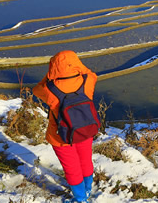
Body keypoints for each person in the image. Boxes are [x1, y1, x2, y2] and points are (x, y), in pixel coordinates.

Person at [33, 50, 98, 202]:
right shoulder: (87, 81)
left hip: (60, 135)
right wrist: (77, 66)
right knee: (85, 160)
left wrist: (50, 75)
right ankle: (88, 189)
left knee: (71, 167)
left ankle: (81, 198)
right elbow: (90, 73)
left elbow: (36, 90)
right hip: (85, 129)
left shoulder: (49, 89)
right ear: (76, 63)